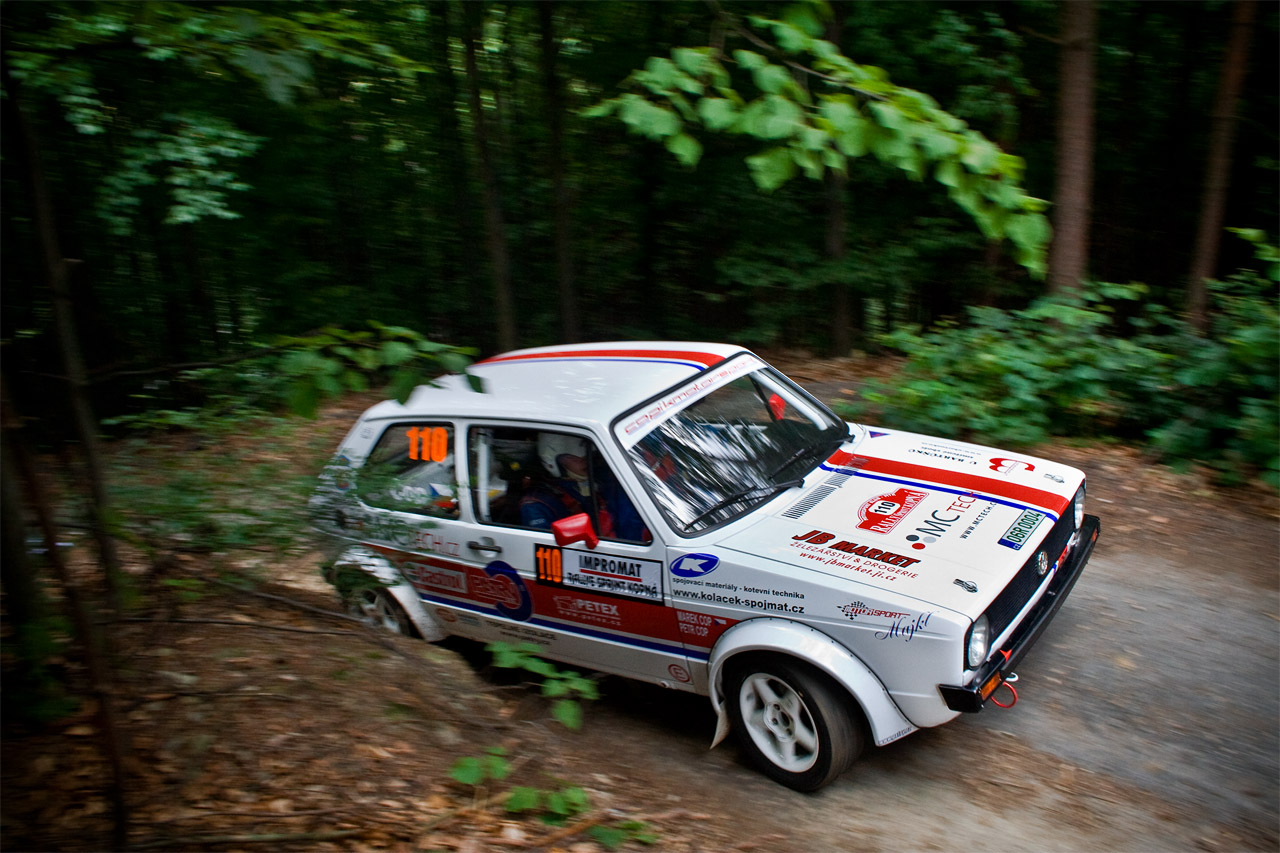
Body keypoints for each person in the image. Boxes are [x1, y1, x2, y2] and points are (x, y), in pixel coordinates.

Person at [520, 433, 649, 542]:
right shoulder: (537, 504)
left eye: (585, 456)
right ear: (552, 461)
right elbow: (545, 548)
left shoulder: (602, 477)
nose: (584, 461)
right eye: (574, 458)